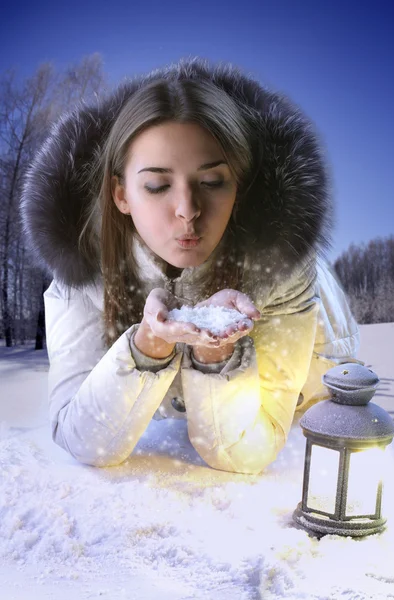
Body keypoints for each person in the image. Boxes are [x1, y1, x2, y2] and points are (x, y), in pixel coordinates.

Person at [20, 57, 363, 474]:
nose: (187, 211)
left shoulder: (280, 271)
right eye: (157, 185)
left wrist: (215, 353)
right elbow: (83, 439)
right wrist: (148, 346)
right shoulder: (83, 268)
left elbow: (248, 451)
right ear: (120, 194)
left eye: (212, 182)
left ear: (240, 185)